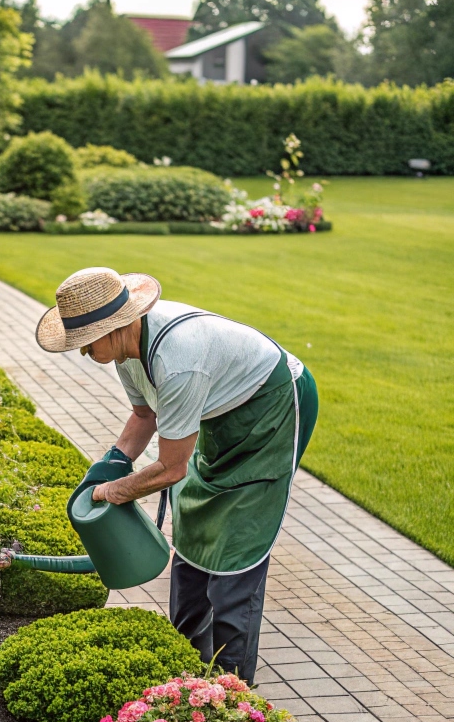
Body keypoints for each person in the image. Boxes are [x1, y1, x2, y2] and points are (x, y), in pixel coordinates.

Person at [35, 267, 317, 683]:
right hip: (225, 411)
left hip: (272, 407)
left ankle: (230, 688)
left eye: (86, 341)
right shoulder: (127, 351)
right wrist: (112, 463)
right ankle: (185, 664)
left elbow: (171, 468)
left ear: (116, 325)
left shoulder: (177, 362)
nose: (82, 351)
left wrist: (113, 492)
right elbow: (143, 415)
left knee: (237, 547)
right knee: (194, 527)